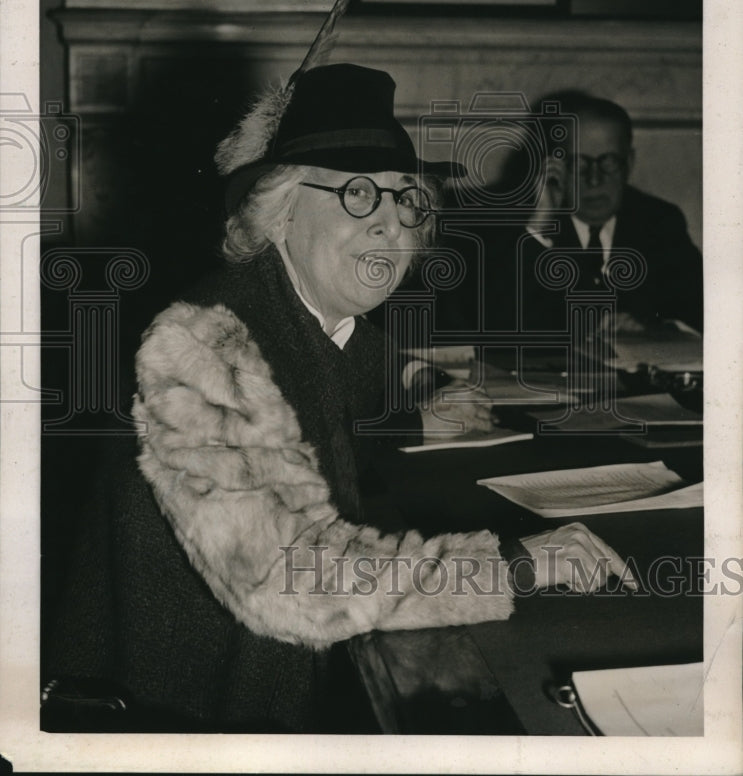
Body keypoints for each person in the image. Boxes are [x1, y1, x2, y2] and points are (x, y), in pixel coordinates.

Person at [44, 64, 634, 734]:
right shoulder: (204, 344)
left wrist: (417, 390)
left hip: (269, 691)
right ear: (280, 208)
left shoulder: (316, 318)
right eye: (359, 196)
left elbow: (371, 372)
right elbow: (291, 584)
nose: (391, 227)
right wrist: (518, 563)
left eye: (405, 200)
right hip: (174, 724)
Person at [519, 90, 703, 335]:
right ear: (556, 166)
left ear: (629, 163)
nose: (594, 180)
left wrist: (650, 330)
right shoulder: (528, 226)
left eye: (608, 162)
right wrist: (538, 227)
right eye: (579, 163)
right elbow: (496, 322)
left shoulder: (660, 223)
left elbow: (701, 314)